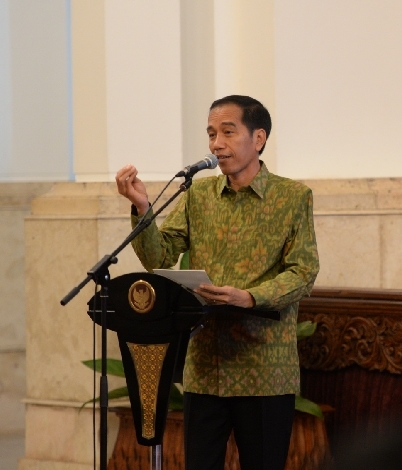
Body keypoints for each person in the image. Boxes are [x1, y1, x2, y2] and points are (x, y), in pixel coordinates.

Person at [115, 95, 319, 470]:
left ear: (257, 138)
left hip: (264, 369)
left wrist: (250, 297)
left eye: (228, 132)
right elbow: (160, 256)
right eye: (211, 134)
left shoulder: (292, 197)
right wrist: (144, 209)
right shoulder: (199, 195)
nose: (216, 144)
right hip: (206, 367)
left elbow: (303, 271)